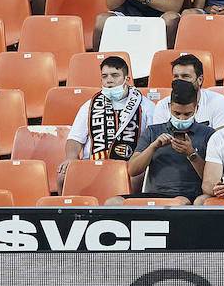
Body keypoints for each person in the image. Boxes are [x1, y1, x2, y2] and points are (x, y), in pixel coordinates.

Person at [59, 55, 153, 187]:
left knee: (136, 178)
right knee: (63, 175)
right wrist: (71, 157)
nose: (109, 80)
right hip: (92, 164)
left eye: (115, 75)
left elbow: (153, 139)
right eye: (105, 76)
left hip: (128, 166)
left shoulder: (146, 106)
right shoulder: (90, 105)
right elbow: (74, 139)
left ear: (127, 79)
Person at [116, 79, 211, 205]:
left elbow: (212, 179)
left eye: (187, 114)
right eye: (177, 113)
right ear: (169, 106)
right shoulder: (152, 131)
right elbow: (133, 170)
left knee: (179, 202)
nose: (181, 118)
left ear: (196, 108)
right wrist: (153, 147)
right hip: (154, 194)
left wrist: (191, 154)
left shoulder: (208, 134)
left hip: (188, 196)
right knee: (114, 201)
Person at [149, 53, 224, 128]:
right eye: (176, 76)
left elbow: (221, 140)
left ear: (200, 80)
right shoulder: (162, 105)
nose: (180, 81)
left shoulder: (218, 102)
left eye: (185, 76)